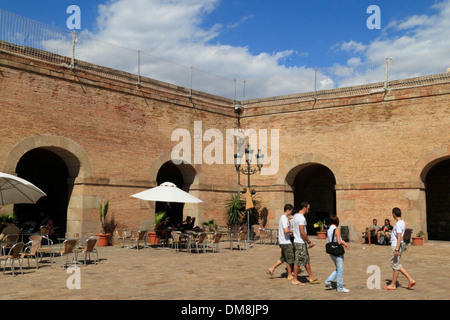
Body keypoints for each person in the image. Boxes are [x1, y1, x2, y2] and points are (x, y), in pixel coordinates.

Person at [383, 207, 416, 290]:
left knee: (396, 264)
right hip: (397, 244)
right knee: (395, 264)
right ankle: (393, 284)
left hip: (395, 245)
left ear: (394, 214)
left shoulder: (398, 224)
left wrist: (396, 249)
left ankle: (410, 279)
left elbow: (399, 236)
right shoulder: (402, 222)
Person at [291, 201, 320, 285]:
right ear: (304, 207)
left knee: (306, 259)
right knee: (298, 261)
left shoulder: (296, 216)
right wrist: (309, 241)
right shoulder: (301, 218)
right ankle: (295, 279)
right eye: (308, 208)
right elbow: (302, 231)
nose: (309, 210)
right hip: (300, 242)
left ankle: (311, 277)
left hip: (299, 241)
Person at [267, 204, 295, 280]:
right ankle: (289, 275)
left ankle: (272, 268)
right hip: (285, 241)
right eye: (291, 211)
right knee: (290, 258)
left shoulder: (283, 218)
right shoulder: (284, 219)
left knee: (283, 258)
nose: (291, 213)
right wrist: (293, 231)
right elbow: (286, 230)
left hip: (283, 240)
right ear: (288, 210)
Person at [325, 215, 350, 293]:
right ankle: (340, 287)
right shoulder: (336, 229)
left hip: (331, 251)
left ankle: (328, 281)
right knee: (340, 270)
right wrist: (344, 243)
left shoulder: (329, 229)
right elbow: (339, 242)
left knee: (338, 269)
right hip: (337, 252)